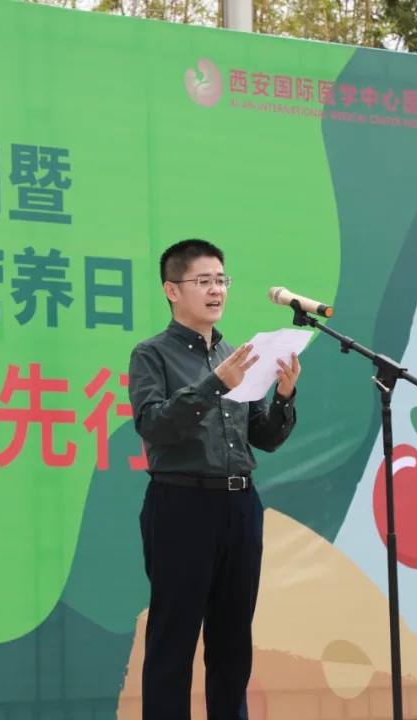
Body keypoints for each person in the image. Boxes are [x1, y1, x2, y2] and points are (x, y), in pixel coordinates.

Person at [126, 238, 301, 720]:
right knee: (173, 639)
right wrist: (213, 383)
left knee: (232, 640)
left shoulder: (238, 354)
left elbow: (263, 437)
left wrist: (284, 396)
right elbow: (154, 425)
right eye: (203, 281)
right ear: (172, 290)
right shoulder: (151, 355)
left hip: (240, 505)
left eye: (221, 280)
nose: (216, 290)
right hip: (181, 504)